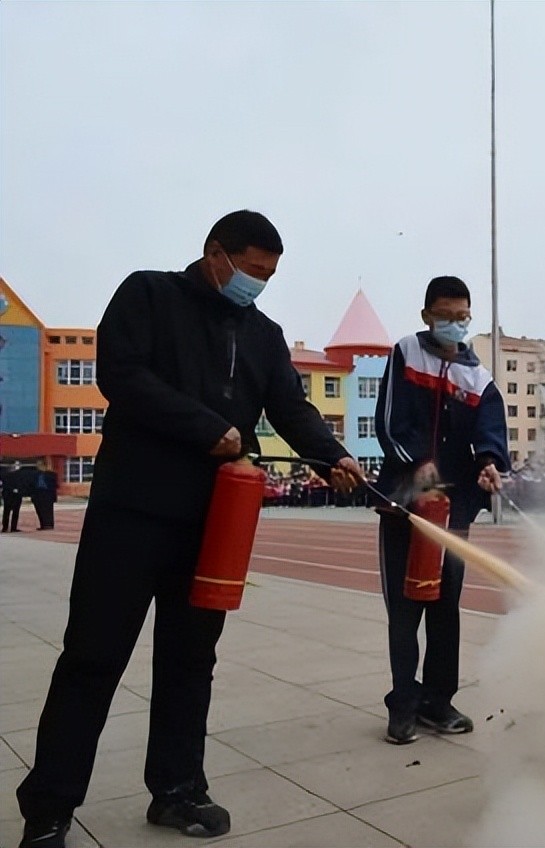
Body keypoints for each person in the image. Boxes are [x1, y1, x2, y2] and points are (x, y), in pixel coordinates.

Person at [15, 211, 364, 848]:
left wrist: (332, 453)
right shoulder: (149, 294)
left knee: (189, 662)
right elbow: (122, 376)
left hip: (212, 526)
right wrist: (207, 428)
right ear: (215, 254)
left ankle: (176, 790)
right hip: (132, 512)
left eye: (268, 276)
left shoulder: (263, 334)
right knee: (93, 658)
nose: (257, 285)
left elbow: (290, 407)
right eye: (251, 271)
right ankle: (49, 808)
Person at [374, 275, 510, 745]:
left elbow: (490, 430)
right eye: (445, 316)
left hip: (453, 512)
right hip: (405, 507)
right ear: (426, 315)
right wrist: (418, 467)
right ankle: (403, 704)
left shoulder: (478, 376)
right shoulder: (405, 352)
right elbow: (389, 424)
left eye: (462, 317)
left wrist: (490, 463)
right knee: (406, 607)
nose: (455, 324)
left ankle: (438, 701)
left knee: (445, 606)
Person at [1, 461, 31, 532]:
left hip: (17, 495)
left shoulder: (19, 475)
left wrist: (21, 491)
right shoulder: (5, 475)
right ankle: (5, 527)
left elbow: (22, 484)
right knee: (7, 512)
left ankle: (13, 527)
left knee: (15, 512)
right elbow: (4, 485)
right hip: (8, 495)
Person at [31, 461, 58, 530]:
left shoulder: (51, 474)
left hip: (47, 494)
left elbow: (55, 485)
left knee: (48, 510)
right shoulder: (35, 475)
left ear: (44, 465)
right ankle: (43, 524)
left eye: (39, 465)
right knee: (39, 510)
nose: (38, 466)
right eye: (37, 465)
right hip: (38, 494)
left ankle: (49, 525)